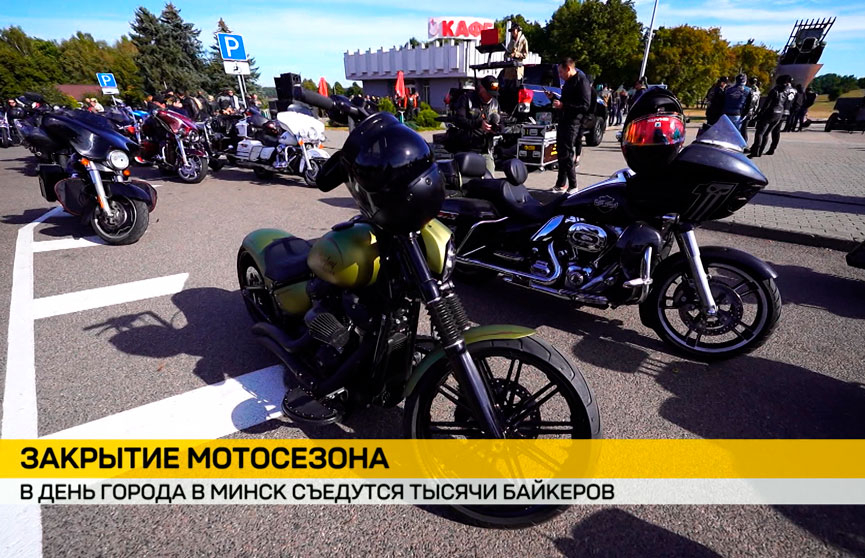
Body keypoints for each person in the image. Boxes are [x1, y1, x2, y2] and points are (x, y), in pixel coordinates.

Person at [548, 57, 592, 193]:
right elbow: (564, 101)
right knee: (561, 153)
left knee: (567, 154)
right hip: (563, 120)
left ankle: (573, 185)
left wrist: (563, 105)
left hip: (573, 122)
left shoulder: (581, 81)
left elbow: (585, 105)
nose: (560, 75)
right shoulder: (568, 82)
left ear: (568, 68)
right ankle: (561, 184)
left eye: (561, 72)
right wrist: (554, 98)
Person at [452, 75, 501, 173]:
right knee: (468, 180)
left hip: (485, 151)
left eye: (493, 94)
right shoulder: (467, 99)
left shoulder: (495, 103)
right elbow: (459, 120)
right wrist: (479, 124)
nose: (491, 96)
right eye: (489, 93)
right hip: (467, 150)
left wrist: (497, 129)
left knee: (490, 179)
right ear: (481, 88)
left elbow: (501, 123)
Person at [749, 74, 793, 158]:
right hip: (779, 113)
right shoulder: (786, 91)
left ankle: (756, 151)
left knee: (760, 133)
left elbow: (767, 104)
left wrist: (759, 114)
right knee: (767, 133)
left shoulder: (775, 91)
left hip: (770, 112)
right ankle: (760, 151)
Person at [741, 77, 761, 149]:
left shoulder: (748, 90)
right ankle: (744, 143)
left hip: (746, 110)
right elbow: (757, 103)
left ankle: (744, 144)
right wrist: (754, 112)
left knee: (743, 128)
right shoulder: (757, 91)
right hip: (751, 111)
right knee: (744, 128)